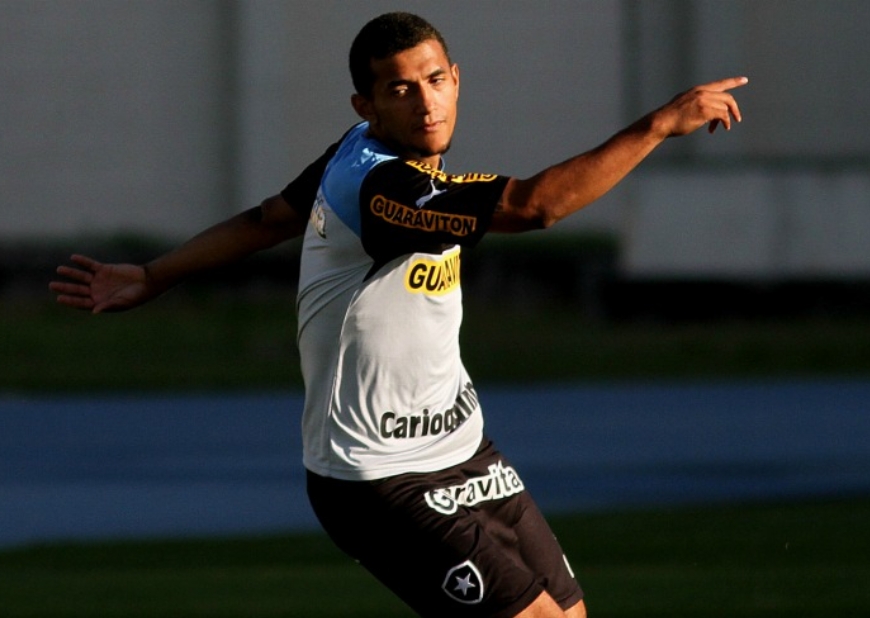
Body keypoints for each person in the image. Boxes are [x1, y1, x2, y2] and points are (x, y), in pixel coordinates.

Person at [50, 11, 745, 618]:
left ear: (457, 79)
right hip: (377, 477)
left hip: (464, 448)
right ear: (368, 104)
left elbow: (269, 219)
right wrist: (659, 125)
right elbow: (536, 206)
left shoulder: (359, 150)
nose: (426, 102)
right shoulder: (381, 187)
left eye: (435, 79)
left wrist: (156, 274)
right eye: (400, 89)